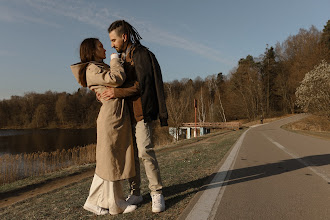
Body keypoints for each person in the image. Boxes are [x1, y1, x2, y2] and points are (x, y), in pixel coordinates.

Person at [99, 20, 168, 213]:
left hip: (141, 113)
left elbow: (142, 86)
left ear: (124, 37)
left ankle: (157, 193)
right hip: (124, 116)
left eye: (113, 40)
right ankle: (136, 192)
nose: (111, 44)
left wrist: (116, 93)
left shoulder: (141, 54)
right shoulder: (122, 57)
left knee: (145, 151)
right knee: (131, 157)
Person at [70, 38, 138, 215]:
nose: (106, 49)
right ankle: (115, 204)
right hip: (111, 117)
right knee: (110, 161)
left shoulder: (98, 67)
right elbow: (116, 79)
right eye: (101, 46)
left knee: (110, 161)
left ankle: (100, 202)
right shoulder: (93, 69)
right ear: (92, 51)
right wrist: (115, 60)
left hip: (115, 115)